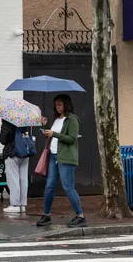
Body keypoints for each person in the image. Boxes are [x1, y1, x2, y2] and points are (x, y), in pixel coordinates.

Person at [37, 95, 85, 227]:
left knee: (68, 187)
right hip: (53, 155)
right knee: (49, 186)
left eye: (59, 104)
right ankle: (46, 215)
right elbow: (55, 135)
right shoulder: (57, 119)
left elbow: (71, 139)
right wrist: (46, 128)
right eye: (56, 104)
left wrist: (54, 134)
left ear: (66, 105)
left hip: (66, 157)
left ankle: (80, 216)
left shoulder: (72, 119)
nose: (57, 107)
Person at [0, 118, 33, 214]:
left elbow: (3, 140)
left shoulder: (7, 122)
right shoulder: (25, 122)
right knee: (23, 179)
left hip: (12, 153)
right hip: (24, 153)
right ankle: (22, 205)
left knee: (13, 179)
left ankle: (15, 205)